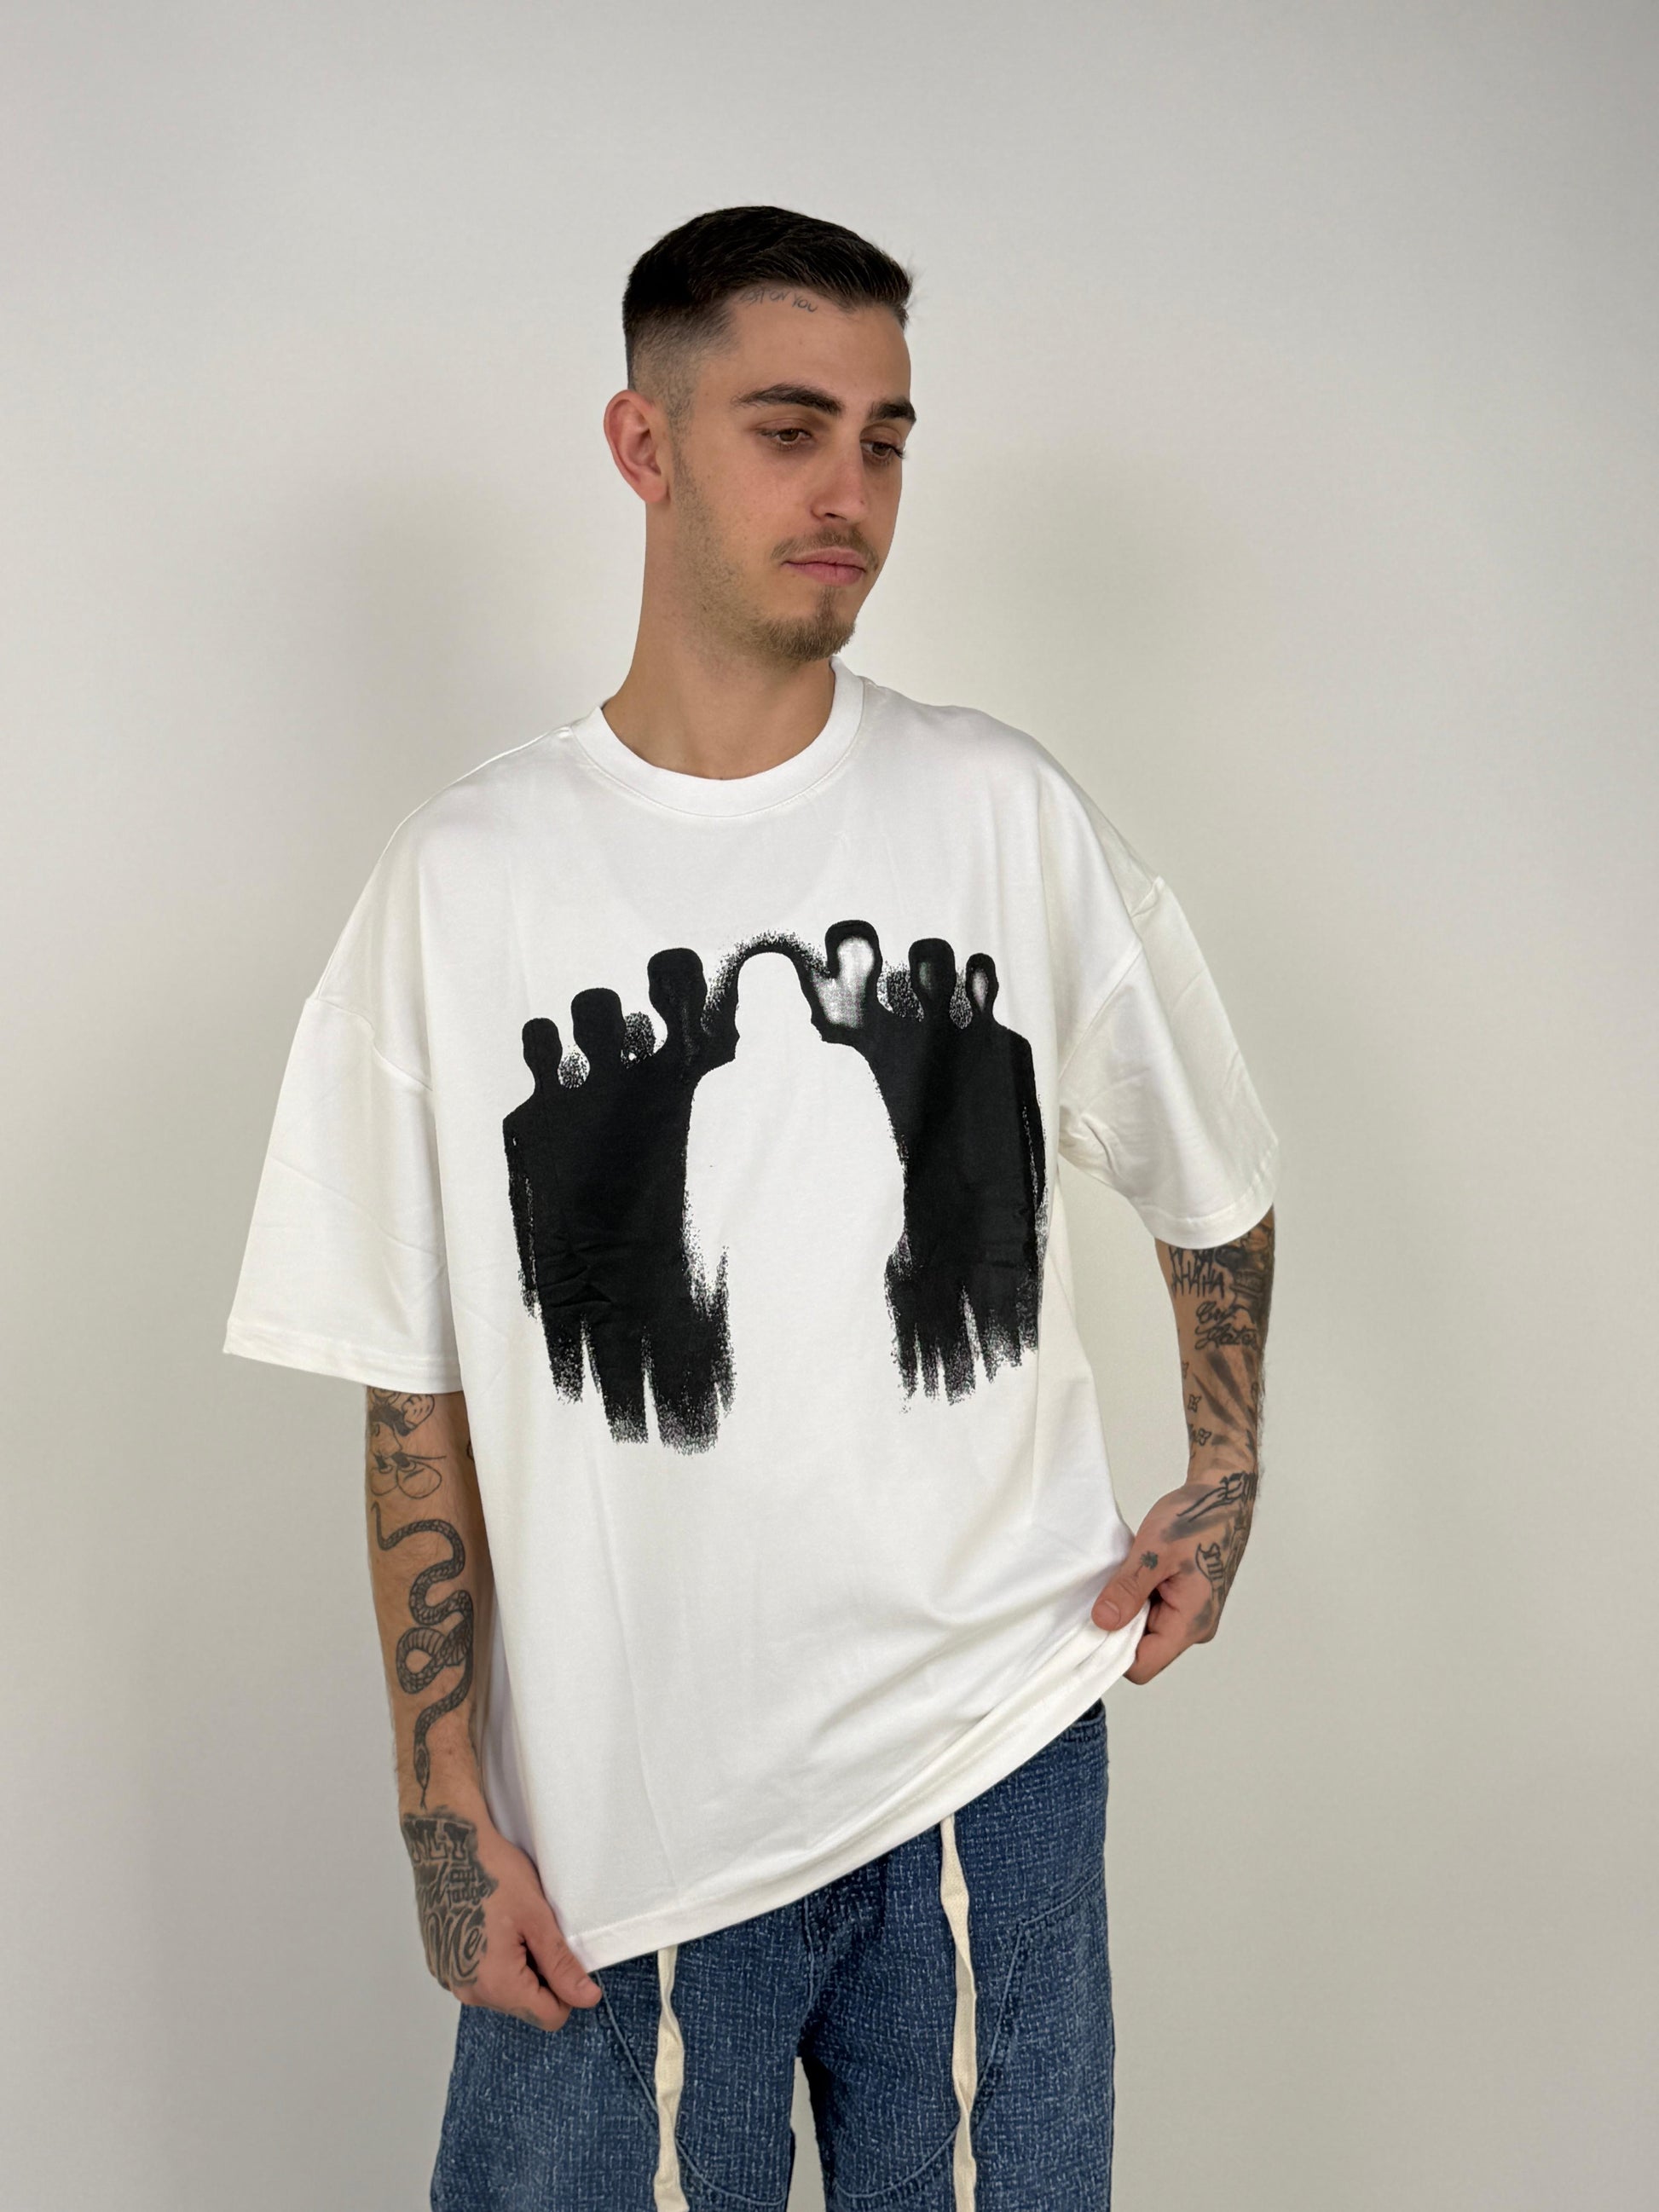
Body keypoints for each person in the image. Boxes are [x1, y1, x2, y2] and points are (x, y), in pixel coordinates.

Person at [224, 205, 1280, 2211]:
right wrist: (441, 1805)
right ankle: (644, 1225)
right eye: (789, 430)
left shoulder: (1001, 814)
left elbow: (1212, 1175)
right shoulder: (464, 882)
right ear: (643, 444)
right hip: (627, 1811)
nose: (848, 492)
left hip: (986, 1744)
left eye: (886, 438)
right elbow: (406, 1376)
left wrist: (1223, 1472)